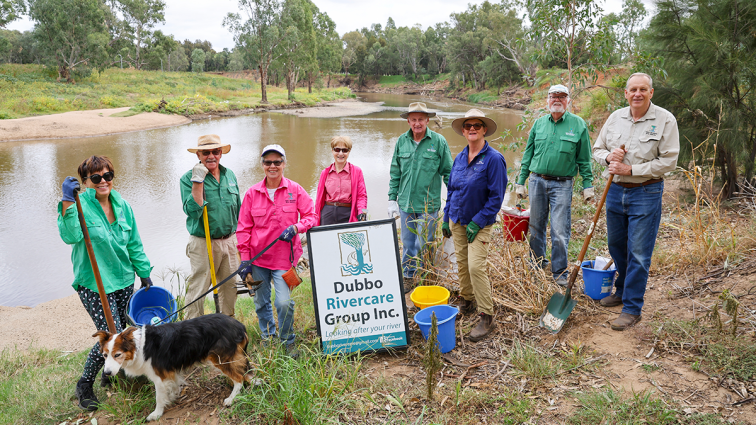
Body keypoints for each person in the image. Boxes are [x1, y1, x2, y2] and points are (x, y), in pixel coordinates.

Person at [58, 155, 153, 411]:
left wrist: (143, 272)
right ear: (86, 181)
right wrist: (67, 201)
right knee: (108, 335)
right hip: (93, 283)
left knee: (127, 331)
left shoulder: (123, 205)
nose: (103, 182)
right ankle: (84, 386)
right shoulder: (80, 204)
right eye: (96, 177)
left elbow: (133, 242)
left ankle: (114, 375)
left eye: (107, 176)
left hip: (123, 277)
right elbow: (70, 236)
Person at [593, 73, 679, 331]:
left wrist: (632, 170)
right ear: (626, 93)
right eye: (633, 90)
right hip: (616, 192)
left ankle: (632, 308)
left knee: (639, 252)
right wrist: (610, 158)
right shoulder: (615, 117)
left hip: (646, 191)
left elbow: (669, 161)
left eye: (643, 89)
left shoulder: (665, 120)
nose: (637, 94)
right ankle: (621, 290)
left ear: (651, 93)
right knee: (616, 245)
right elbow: (597, 149)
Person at [236, 144, 317, 358]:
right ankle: (268, 336)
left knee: (283, 302)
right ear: (262, 165)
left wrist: (296, 227)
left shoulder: (296, 190)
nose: (272, 166)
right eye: (268, 162)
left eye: (277, 162)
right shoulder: (252, 193)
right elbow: (243, 228)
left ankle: (287, 339)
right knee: (261, 302)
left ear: (284, 164)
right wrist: (245, 261)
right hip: (258, 260)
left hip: (284, 260)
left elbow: (312, 216)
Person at [515, 84, 594, 286]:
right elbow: (527, 155)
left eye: (561, 96)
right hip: (536, 181)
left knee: (560, 231)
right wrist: (520, 182)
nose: (557, 99)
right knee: (535, 228)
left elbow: (584, 159)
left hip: (563, 184)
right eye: (553, 96)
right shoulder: (538, 124)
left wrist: (588, 186)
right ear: (547, 100)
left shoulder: (578, 125)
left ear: (568, 101)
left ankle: (560, 274)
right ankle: (536, 265)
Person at [442, 109, 507, 342]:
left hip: (479, 224)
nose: (472, 128)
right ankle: (467, 300)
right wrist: (445, 217)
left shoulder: (494, 159)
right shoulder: (459, 157)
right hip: (457, 219)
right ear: (463, 130)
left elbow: (496, 198)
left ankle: (486, 315)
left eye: (477, 125)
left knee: (475, 267)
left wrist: (477, 221)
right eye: (468, 125)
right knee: (461, 263)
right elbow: (452, 190)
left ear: (484, 129)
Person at [388, 102, 453, 292]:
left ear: (427, 120)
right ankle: (408, 276)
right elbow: (395, 172)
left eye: (421, 119)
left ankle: (427, 276)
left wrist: (455, 198)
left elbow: (448, 172)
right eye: (413, 119)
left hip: (429, 205)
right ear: (408, 121)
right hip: (406, 204)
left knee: (426, 243)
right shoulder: (401, 141)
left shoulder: (438, 142)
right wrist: (392, 198)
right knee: (408, 244)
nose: (417, 123)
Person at [180, 134, 242, 320]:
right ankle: (192, 333)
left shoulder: (229, 175)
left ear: (221, 153)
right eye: (206, 152)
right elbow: (192, 211)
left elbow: (238, 209)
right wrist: (198, 182)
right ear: (198, 155)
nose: (211, 156)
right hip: (203, 242)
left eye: (215, 151)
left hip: (230, 241)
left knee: (230, 288)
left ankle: (225, 328)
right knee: (198, 289)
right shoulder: (188, 178)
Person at [314, 136, 368, 225]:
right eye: (337, 149)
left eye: (344, 150)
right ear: (332, 151)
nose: (341, 153)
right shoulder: (324, 173)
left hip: (348, 213)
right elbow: (318, 199)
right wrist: (315, 218)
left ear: (349, 151)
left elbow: (362, 196)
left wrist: (362, 213)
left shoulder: (357, 171)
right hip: (328, 213)